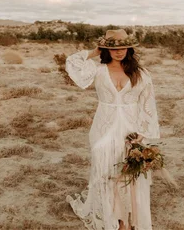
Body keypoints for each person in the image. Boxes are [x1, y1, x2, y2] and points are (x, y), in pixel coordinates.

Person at [65, 29, 160, 230]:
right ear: (106, 48)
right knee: (105, 170)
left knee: (129, 173)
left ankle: (126, 219)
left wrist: (143, 133)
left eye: (123, 47)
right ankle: (110, 216)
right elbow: (72, 63)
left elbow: (147, 105)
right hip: (103, 128)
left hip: (131, 129)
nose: (119, 51)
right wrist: (93, 52)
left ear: (130, 48)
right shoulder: (98, 69)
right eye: (113, 47)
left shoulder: (141, 73)